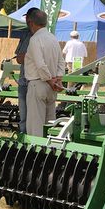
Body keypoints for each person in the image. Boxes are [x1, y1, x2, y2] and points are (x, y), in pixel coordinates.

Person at [24, 9, 65, 137]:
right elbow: (61, 62)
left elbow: (40, 64)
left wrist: (50, 80)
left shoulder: (35, 39)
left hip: (39, 84)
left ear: (30, 22)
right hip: (51, 86)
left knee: (35, 127)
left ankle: (35, 155)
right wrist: (57, 80)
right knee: (49, 126)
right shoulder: (53, 38)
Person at [14, 9, 35, 133]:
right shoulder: (26, 34)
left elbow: (20, 58)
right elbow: (19, 58)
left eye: (28, 19)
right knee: (26, 116)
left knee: (27, 116)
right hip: (26, 80)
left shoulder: (33, 36)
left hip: (30, 81)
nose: (26, 21)